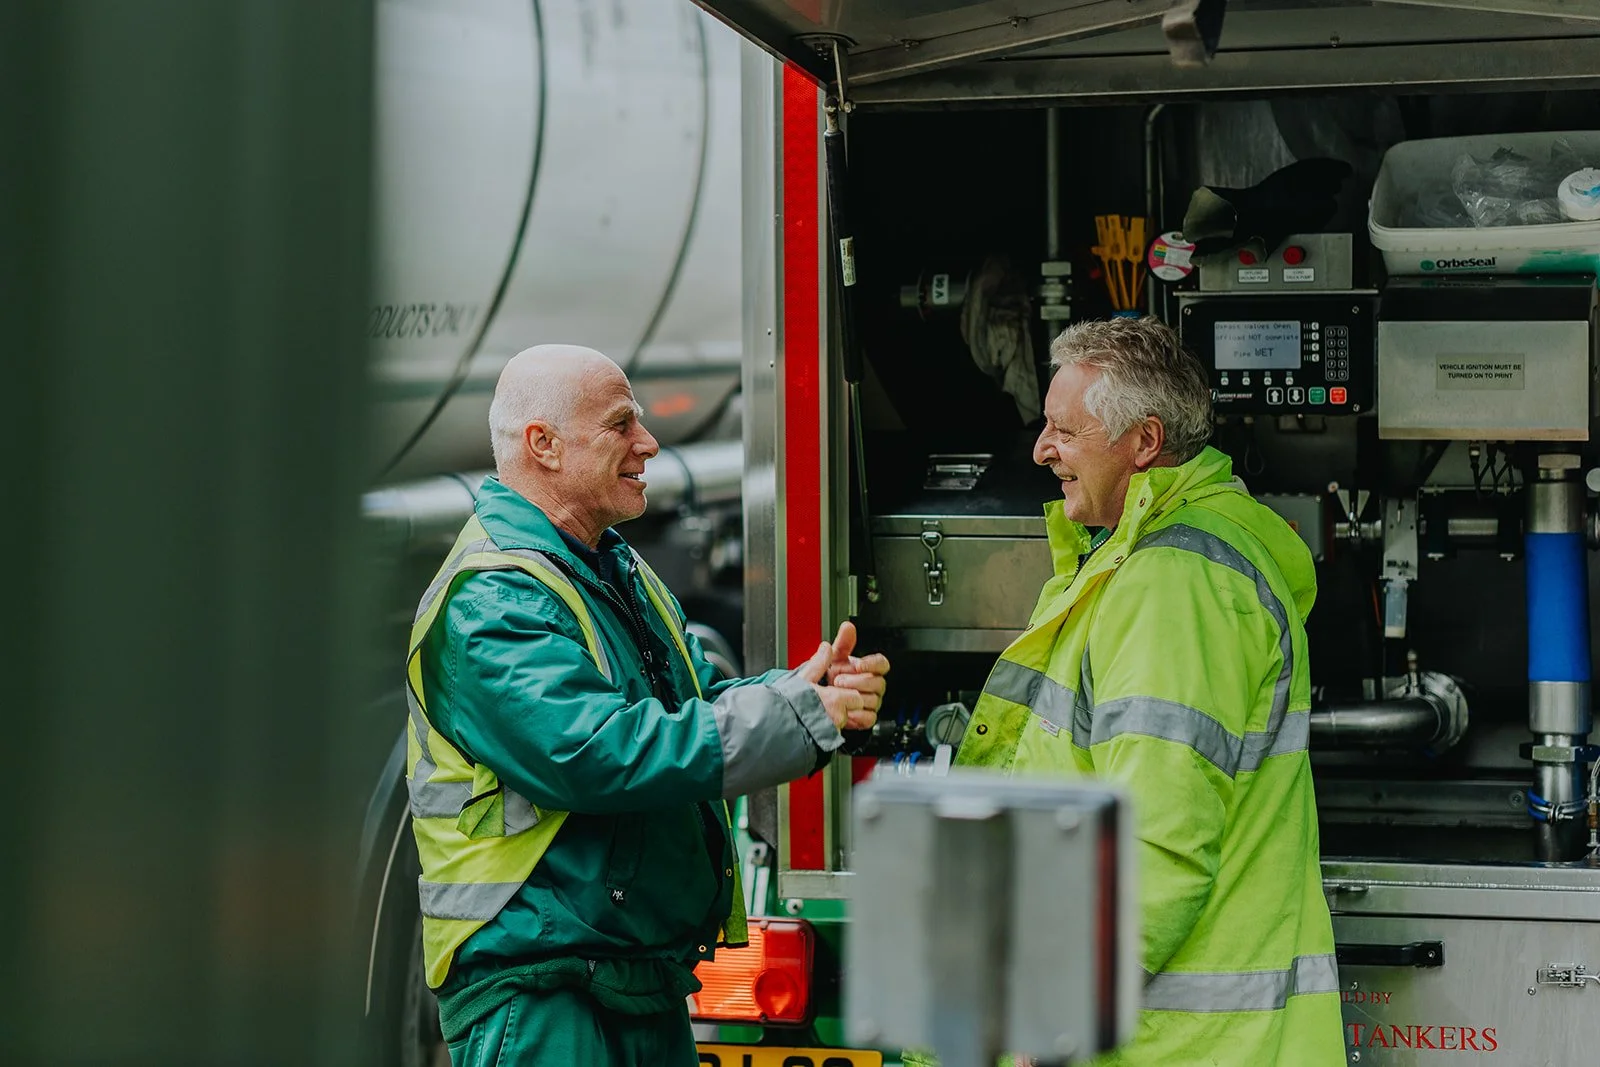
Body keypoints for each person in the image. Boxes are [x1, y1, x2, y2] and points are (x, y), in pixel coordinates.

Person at [404, 344, 889, 1067]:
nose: (649, 443)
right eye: (621, 424)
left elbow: (693, 705)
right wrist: (793, 716)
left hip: (625, 975)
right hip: (541, 989)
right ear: (544, 444)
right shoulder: (490, 598)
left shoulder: (606, 565)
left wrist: (805, 692)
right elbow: (598, 753)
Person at [954, 317, 1344, 1066]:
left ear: (1144, 442)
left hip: (1176, 1046)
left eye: (1065, 430)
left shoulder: (1178, 581)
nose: (1042, 449)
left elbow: (1156, 832)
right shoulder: (1167, 558)